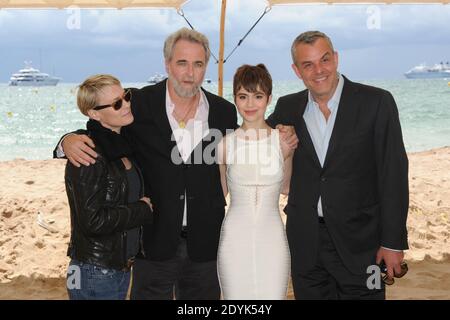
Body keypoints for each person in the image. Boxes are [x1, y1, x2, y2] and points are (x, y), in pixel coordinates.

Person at [55, 28, 299, 300]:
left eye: (198, 64)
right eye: (182, 62)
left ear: (206, 65)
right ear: (167, 63)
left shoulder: (224, 111)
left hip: (206, 245)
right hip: (154, 241)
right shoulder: (140, 104)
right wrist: (67, 140)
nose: (190, 72)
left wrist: (284, 139)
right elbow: (104, 124)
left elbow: (253, 139)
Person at [267, 31, 409, 300]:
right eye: (307, 64)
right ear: (297, 71)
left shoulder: (377, 102)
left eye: (324, 59)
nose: (318, 70)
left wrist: (392, 242)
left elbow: (394, 174)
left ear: (336, 58)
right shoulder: (288, 107)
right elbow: (254, 138)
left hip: (363, 245)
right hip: (306, 245)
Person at [64, 74, 154, 300]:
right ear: (94, 113)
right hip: (94, 271)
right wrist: (141, 210)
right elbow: (92, 221)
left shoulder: (121, 143)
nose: (126, 104)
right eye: (117, 104)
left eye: (126, 96)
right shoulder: (88, 153)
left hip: (113, 269)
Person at [217, 64, 292, 299]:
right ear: (235, 99)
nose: (250, 104)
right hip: (233, 239)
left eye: (258, 96)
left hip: (273, 239)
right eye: (243, 96)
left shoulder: (283, 140)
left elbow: (286, 188)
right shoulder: (225, 143)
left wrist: (289, 154)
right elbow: (220, 195)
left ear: (269, 98)